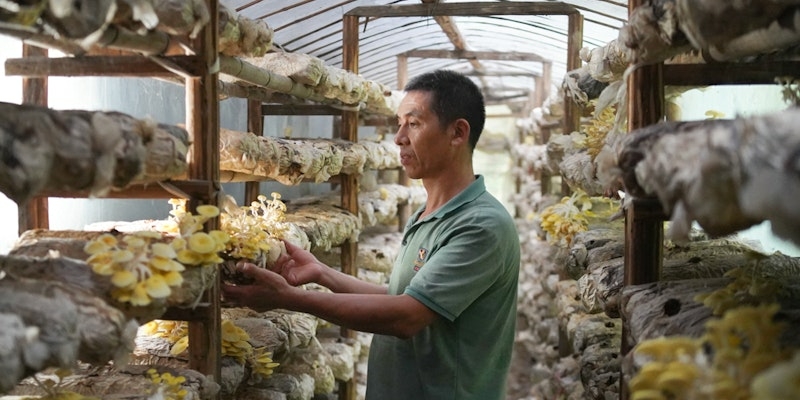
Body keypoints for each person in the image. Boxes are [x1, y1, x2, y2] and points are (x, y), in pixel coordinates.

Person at [221, 69, 521, 400]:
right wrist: (322, 273)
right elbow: (399, 296)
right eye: (399, 124)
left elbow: (406, 316)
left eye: (414, 123)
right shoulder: (426, 216)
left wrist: (288, 298)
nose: (399, 138)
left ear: (457, 133)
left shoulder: (480, 225)